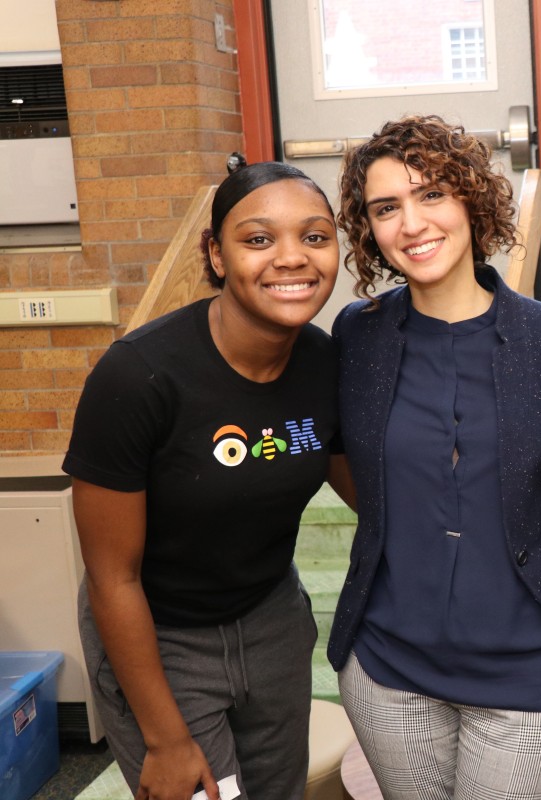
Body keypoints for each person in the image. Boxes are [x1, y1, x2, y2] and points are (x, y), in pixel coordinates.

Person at [327, 115, 541, 800]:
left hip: (535, 670)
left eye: (431, 196)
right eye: (386, 208)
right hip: (391, 666)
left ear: (471, 202)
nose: (411, 223)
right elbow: (346, 460)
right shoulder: (356, 336)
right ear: (369, 231)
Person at [66, 161, 353, 800]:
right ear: (216, 255)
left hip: (270, 618)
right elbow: (113, 576)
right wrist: (166, 740)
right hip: (159, 634)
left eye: (314, 237)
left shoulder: (325, 362)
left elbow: (373, 492)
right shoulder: (138, 377)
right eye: (258, 240)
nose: (291, 259)